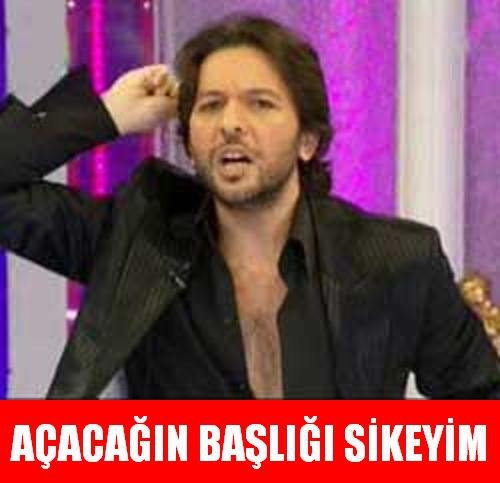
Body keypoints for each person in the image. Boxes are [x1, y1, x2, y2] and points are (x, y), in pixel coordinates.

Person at [0, 14, 498, 399]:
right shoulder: (136, 240)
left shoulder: (398, 261)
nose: (231, 124)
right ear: (189, 142)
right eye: (211, 105)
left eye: (260, 103)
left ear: (308, 141)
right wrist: (106, 114)